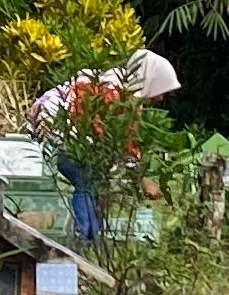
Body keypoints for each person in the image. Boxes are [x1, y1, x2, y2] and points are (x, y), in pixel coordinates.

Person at [31, 47, 180, 242]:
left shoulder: (113, 86)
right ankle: (84, 241)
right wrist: (143, 181)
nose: (160, 98)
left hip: (60, 132)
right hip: (60, 133)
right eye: (161, 91)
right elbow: (123, 142)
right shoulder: (118, 96)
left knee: (88, 184)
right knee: (85, 182)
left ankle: (90, 240)